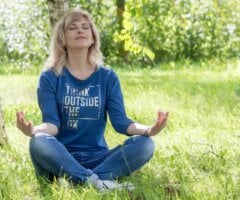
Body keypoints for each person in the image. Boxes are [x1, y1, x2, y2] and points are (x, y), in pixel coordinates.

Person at [16, 9, 168, 192]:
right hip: (60, 157)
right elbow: (52, 125)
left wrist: (150, 129)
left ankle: (78, 180)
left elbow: (121, 123)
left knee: (145, 144)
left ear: (93, 37)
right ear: (62, 38)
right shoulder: (50, 77)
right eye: (73, 27)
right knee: (38, 141)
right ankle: (97, 182)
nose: (80, 30)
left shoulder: (107, 77)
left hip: (98, 157)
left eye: (85, 27)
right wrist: (32, 130)